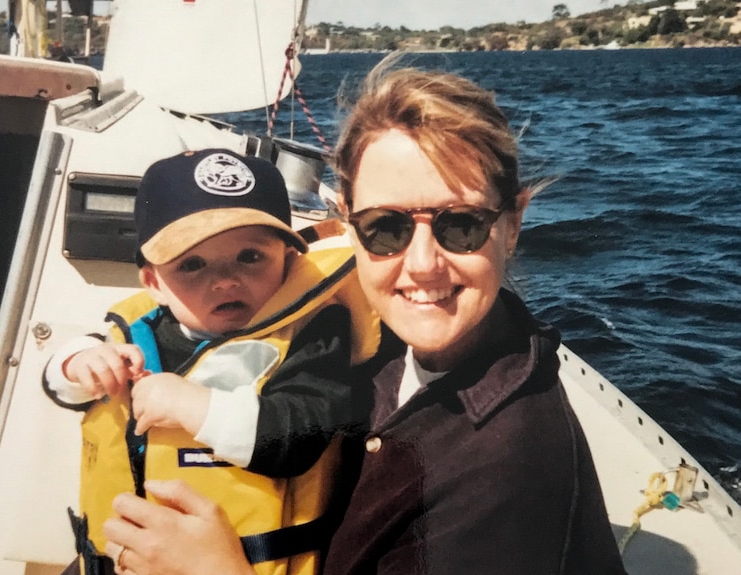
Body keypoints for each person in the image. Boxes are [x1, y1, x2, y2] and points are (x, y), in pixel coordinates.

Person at [97, 57, 628, 575]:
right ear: (347, 223)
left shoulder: (507, 471)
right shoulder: (375, 337)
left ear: (513, 225)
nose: (422, 266)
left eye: (462, 225)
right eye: (386, 228)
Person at [43, 148, 378, 575]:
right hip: (116, 559)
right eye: (193, 264)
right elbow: (60, 384)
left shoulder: (312, 334)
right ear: (153, 283)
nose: (225, 280)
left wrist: (191, 406)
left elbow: (300, 435)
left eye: (250, 256)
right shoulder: (137, 330)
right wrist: (78, 364)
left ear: (289, 259)